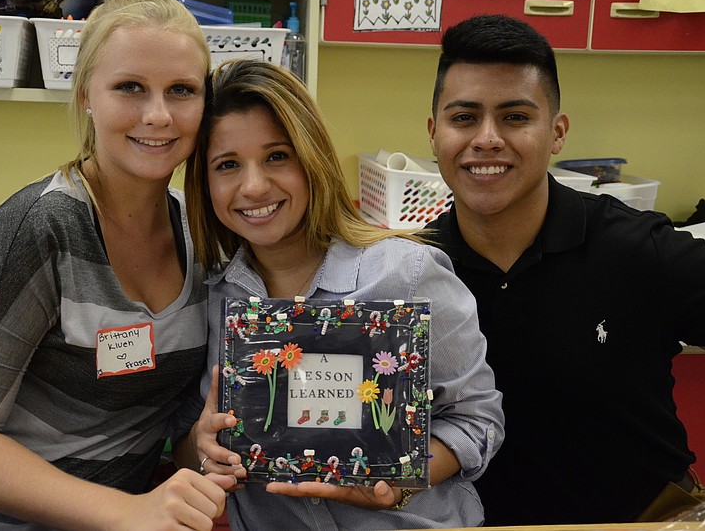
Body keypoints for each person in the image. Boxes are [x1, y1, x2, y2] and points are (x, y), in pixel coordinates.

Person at [0, 0, 233, 530]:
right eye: (130, 87)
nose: (158, 115)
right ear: (87, 92)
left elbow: (154, 433)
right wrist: (127, 512)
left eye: (181, 90)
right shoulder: (35, 231)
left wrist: (195, 446)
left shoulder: (204, 234)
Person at [177, 59, 504, 530]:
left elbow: (479, 420)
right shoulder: (212, 298)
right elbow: (188, 443)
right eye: (227, 165)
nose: (253, 186)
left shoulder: (406, 274)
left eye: (277, 156)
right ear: (203, 184)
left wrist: (400, 480)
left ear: (312, 158)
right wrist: (203, 447)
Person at [426, 14, 705, 525]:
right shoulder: (407, 271)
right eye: (464, 118)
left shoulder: (638, 250)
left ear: (557, 133)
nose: (486, 139)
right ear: (434, 133)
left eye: (515, 117)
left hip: (644, 520)